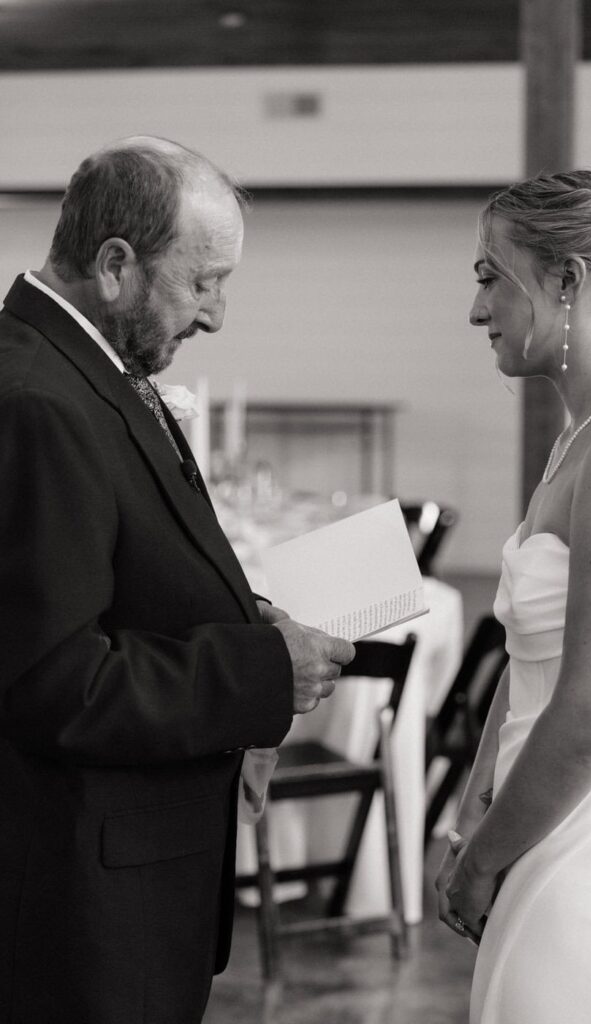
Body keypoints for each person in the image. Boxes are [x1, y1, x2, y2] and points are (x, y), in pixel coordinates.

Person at [0, 136, 355, 1024]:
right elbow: (54, 682)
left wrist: (252, 615)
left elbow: (118, 576)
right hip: (79, 914)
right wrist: (266, 675)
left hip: (125, 880)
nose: (217, 315)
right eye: (204, 282)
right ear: (116, 264)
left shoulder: (86, 371)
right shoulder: (38, 401)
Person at [436, 170, 591, 1023]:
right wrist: (476, 798)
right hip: (540, 825)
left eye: (488, 277)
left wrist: (480, 863)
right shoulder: (586, 431)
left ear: (568, 280)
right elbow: (532, 646)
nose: (476, 311)